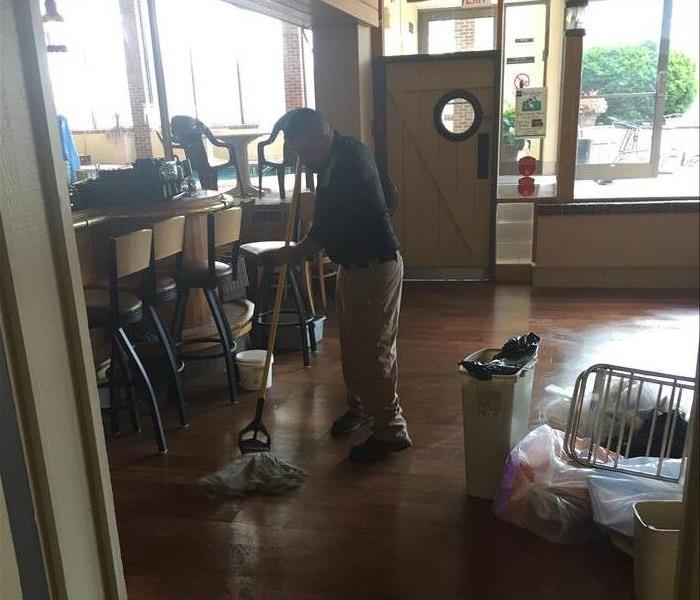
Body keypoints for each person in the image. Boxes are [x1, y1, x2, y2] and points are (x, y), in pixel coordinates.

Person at [262, 108, 410, 462]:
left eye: (303, 152)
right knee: (352, 346)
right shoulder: (330, 161)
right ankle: (360, 409)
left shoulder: (349, 162)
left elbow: (321, 234)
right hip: (353, 266)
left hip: (374, 266)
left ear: (319, 135)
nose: (301, 161)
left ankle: (390, 431)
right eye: (297, 155)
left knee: (374, 351)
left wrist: (288, 255)